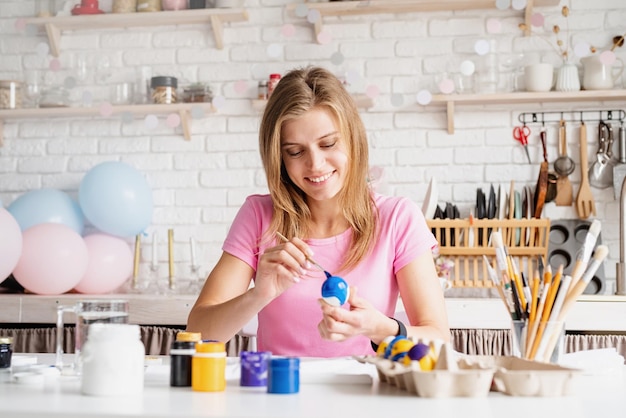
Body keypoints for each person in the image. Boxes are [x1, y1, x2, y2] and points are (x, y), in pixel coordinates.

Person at [187, 66, 450, 357]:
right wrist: (259, 294)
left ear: (352, 139)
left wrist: (380, 328)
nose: (315, 164)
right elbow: (197, 333)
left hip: (369, 398)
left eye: (328, 144)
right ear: (279, 157)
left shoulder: (398, 218)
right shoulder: (259, 215)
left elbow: (438, 340)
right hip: (278, 396)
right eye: (296, 152)